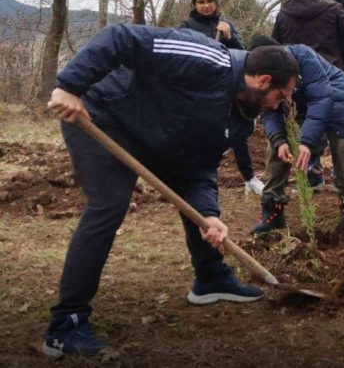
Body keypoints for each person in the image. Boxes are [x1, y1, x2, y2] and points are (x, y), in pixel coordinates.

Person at [43, 25, 299, 357]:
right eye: (280, 96)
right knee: (109, 204)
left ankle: (210, 278)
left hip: (158, 134)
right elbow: (121, 38)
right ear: (263, 81)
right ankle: (65, 325)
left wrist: (209, 215)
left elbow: (199, 168)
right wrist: (69, 86)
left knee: (194, 193)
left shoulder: (242, 119)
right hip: (103, 113)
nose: (278, 106)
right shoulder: (206, 58)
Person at [248, 36, 344, 233]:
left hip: (337, 101)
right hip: (303, 108)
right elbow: (269, 108)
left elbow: (321, 99)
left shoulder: (304, 57)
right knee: (275, 146)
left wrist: (307, 142)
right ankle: (272, 212)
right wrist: (279, 139)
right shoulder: (262, 76)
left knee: (341, 145)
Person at [271, 0, 344, 189]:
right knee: (340, 140)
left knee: (287, 135)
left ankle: (274, 200)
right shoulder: (334, 9)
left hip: (296, 87)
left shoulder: (283, 13)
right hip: (332, 83)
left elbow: (275, 50)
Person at [179, 0, 263, 195]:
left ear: (216, 2)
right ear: (194, 4)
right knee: (201, 137)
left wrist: (229, 37)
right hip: (199, 91)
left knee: (237, 133)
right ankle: (201, 181)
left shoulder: (225, 25)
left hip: (226, 89)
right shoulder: (186, 27)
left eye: (210, 1)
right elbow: (181, 57)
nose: (206, 6)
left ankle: (249, 177)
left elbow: (244, 56)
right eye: (201, 2)